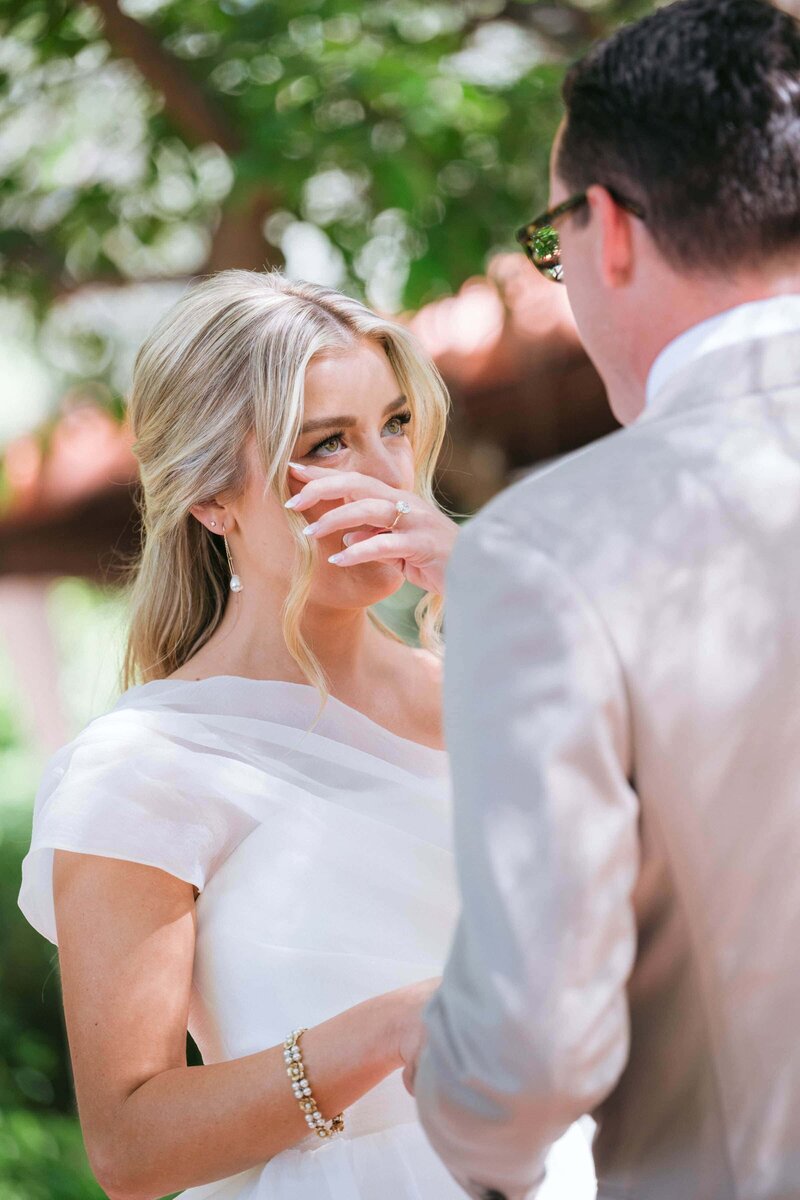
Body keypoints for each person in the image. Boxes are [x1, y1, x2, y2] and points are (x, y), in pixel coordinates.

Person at [16, 270, 596, 1200]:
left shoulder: (503, 692)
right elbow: (129, 1148)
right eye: (328, 443)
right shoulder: (147, 766)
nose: (384, 473)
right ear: (211, 497)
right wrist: (388, 1030)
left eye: (395, 425)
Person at [409, 2, 800, 1199]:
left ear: (609, 228)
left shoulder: (546, 550)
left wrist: (468, 1138)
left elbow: (528, 1052)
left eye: (550, 239)